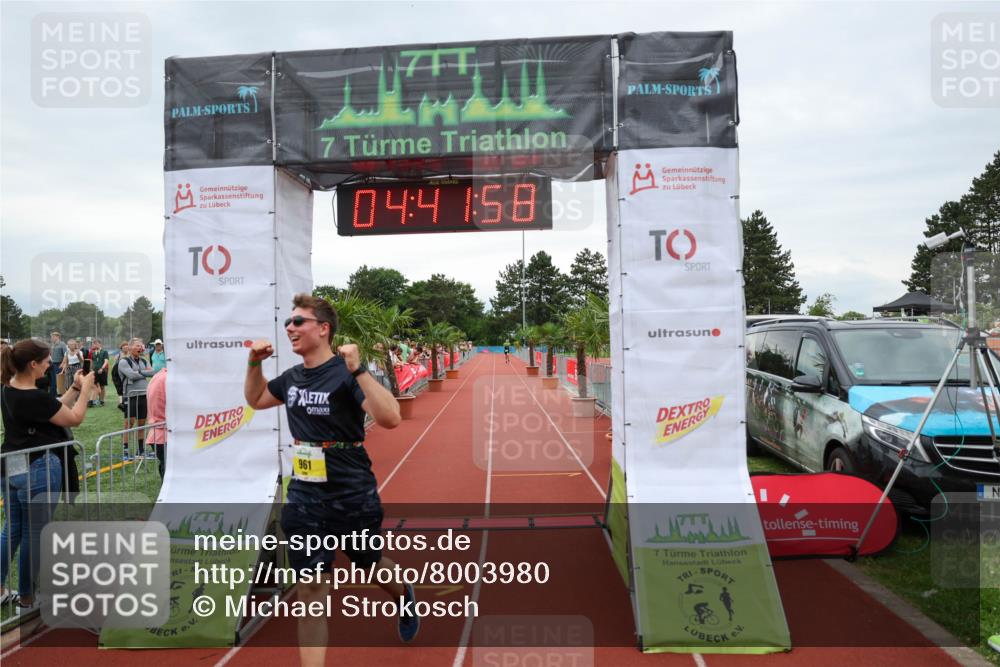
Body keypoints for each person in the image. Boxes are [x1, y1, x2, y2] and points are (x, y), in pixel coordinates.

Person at [244, 293, 417, 665]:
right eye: (288, 322)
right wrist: (253, 364)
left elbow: (390, 418)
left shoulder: (345, 373)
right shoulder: (291, 378)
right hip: (306, 496)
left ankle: (403, 593)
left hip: (351, 491)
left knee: (369, 562)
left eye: (298, 321)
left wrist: (359, 369)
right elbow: (256, 399)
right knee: (311, 587)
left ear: (323, 329)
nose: (289, 328)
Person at [1, 339, 93, 609]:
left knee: (11, 530)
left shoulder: (8, 390)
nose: (50, 364)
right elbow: (74, 418)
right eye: (45, 361)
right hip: (39, 467)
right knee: (34, 533)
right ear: (33, 364)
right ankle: (28, 597)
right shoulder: (35, 397)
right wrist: (87, 390)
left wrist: (74, 388)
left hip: (12, 465)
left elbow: (52, 410)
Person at [117, 338, 157, 461]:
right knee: (129, 424)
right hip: (131, 396)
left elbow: (153, 372)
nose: (140, 348)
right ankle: (126, 451)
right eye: (137, 345)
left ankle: (140, 451)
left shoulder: (144, 361)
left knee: (141, 424)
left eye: (141, 345)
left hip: (144, 395)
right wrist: (144, 373)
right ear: (129, 348)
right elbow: (131, 375)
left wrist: (139, 371)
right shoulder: (124, 361)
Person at [146, 368, 167, 477]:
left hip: (157, 433)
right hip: (165, 433)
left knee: (164, 466)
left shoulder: (158, 376)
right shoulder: (168, 379)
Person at [89, 339, 110, 407]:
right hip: (94, 371)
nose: (94, 345)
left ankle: (102, 401)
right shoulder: (92, 352)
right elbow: (92, 361)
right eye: (93, 344)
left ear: (100, 344)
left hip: (102, 371)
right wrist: (91, 369)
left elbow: (106, 361)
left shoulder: (104, 352)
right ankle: (94, 400)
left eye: (96, 343)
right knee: (95, 385)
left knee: (102, 386)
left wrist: (102, 368)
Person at [49, 332, 68, 396]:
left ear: (57, 337)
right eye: (51, 337)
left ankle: (60, 395)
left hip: (59, 365)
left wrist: (63, 364)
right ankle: (52, 395)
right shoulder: (52, 345)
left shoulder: (62, 344)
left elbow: (66, 355)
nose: (51, 338)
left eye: (52, 337)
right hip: (53, 365)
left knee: (59, 381)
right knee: (53, 381)